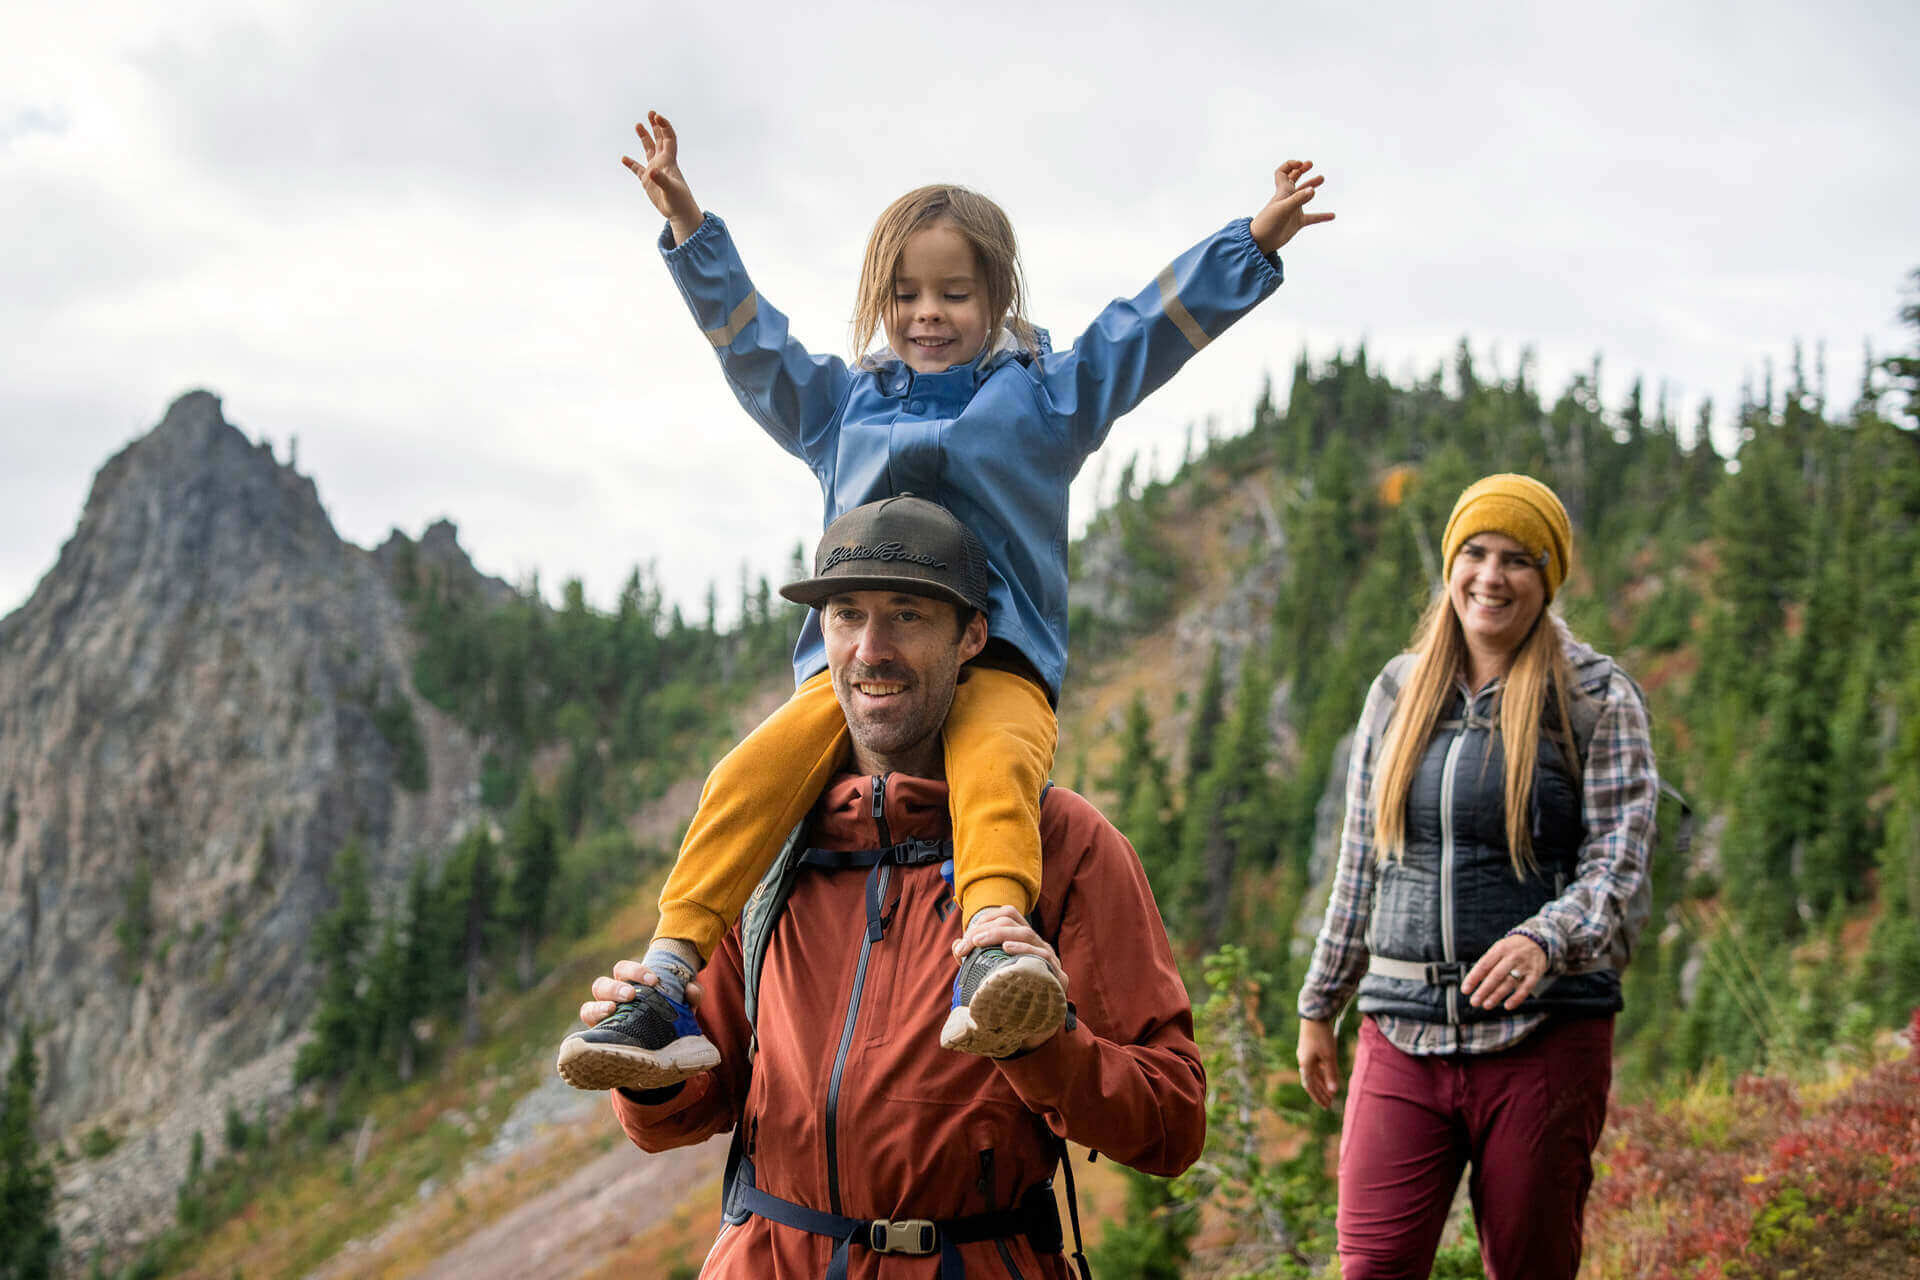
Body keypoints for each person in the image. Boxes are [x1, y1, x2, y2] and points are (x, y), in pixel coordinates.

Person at [559, 108, 1334, 1088]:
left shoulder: (1048, 396)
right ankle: (666, 976)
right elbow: (753, 348)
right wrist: (688, 226)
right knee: (748, 774)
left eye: (955, 293)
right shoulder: (839, 407)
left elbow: (1145, 329)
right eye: (907, 292)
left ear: (997, 296)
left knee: (997, 765)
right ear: (880, 299)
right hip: (858, 676)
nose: (929, 312)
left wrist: (1252, 240)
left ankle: (995, 947)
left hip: (997, 657)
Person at [576, 496, 1205, 1277]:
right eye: (847, 616)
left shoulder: (1063, 844)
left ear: (971, 635)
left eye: (907, 615)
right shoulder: (770, 840)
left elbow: (1172, 1123)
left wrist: (1043, 1044)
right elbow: (695, 1106)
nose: (872, 649)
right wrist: (649, 1082)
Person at [1294, 474, 1661, 1280]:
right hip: (1400, 1031)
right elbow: (1361, 861)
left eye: (1517, 560)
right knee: (1371, 1267)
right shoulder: (1396, 689)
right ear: (1451, 563)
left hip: (1544, 1038)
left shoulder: (1598, 698)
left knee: (1531, 1264)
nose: (1491, 577)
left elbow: (1619, 864)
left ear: (1548, 578)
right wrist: (1320, 1003)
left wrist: (1546, 940)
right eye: (1475, 553)